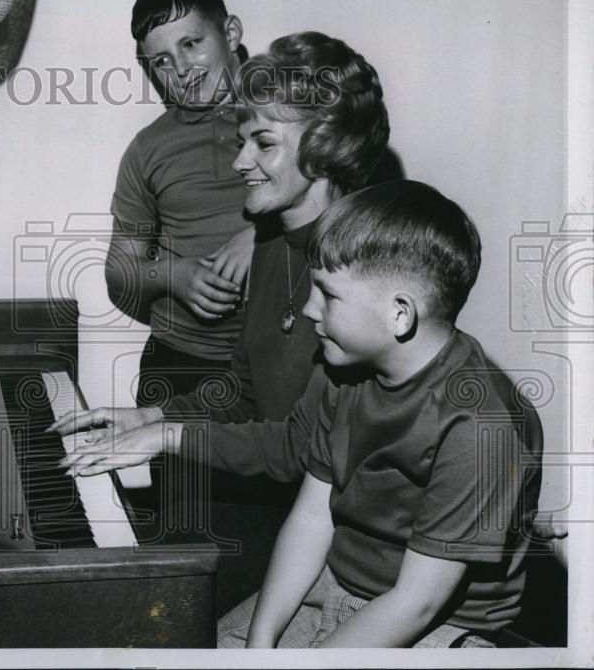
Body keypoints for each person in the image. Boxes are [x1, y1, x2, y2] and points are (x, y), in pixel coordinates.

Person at [55, 31, 390, 609]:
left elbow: (302, 447)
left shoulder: (366, 267)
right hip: (280, 500)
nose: (241, 162)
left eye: (263, 143)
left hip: (349, 545)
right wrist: (147, 413)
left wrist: (164, 437)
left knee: (157, 608)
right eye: (243, 141)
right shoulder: (270, 247)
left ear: (325, 147)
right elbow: (242, 395)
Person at [223, 181, 543, 648]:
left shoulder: (480, 426)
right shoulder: (344, 369)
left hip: (438, 625)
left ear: (400, 314)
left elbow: (418, 603)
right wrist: (262, 640)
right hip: (336, 585)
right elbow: (314, 516)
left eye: (328, 295)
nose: (311, 310)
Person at [107, 0, 258, 408]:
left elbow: (352, 206)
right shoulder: (147, 148)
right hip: (180, 363)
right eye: (161, 61)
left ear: (230, 33)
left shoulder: (285, 113)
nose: (181, 69)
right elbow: (119, 269)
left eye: (191, 44)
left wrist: (260, 237)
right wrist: (174, 275)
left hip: (280, 361)